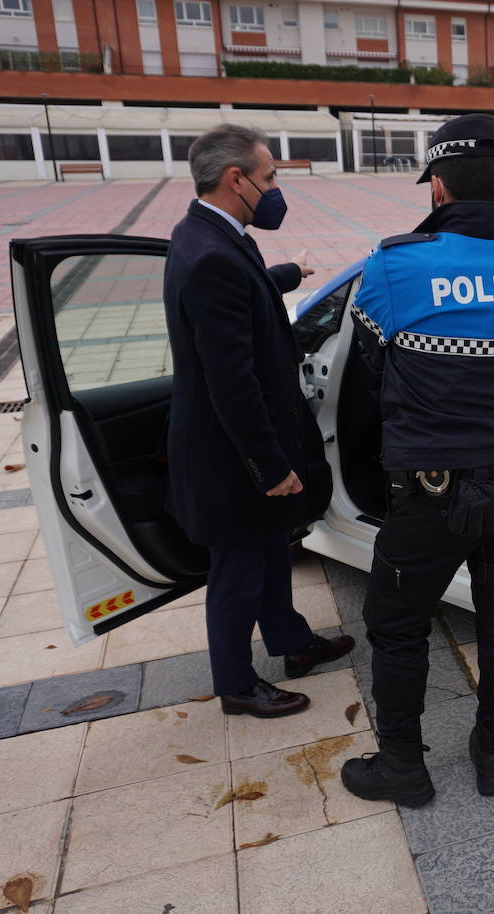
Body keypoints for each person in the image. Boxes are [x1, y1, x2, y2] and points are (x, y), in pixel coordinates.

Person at [340, 114, 494, 807]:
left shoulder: (393, 266)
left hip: (435, 492)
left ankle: (404, 770)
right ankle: (490, 750)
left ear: (437, 187)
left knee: (397, 625)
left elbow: (372, 368)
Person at [164, 124, 354, 719]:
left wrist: (287, 275)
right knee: (239, 570)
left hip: (246, 449)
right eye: (268, 177)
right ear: (235, 179)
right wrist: (269, 466)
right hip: (233, 455)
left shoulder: (210, 235)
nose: (274, 189)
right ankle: (237, 685)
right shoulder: (211, 256)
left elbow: (240, 299)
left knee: (272, 550)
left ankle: (293, 644)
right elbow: (231, 382)